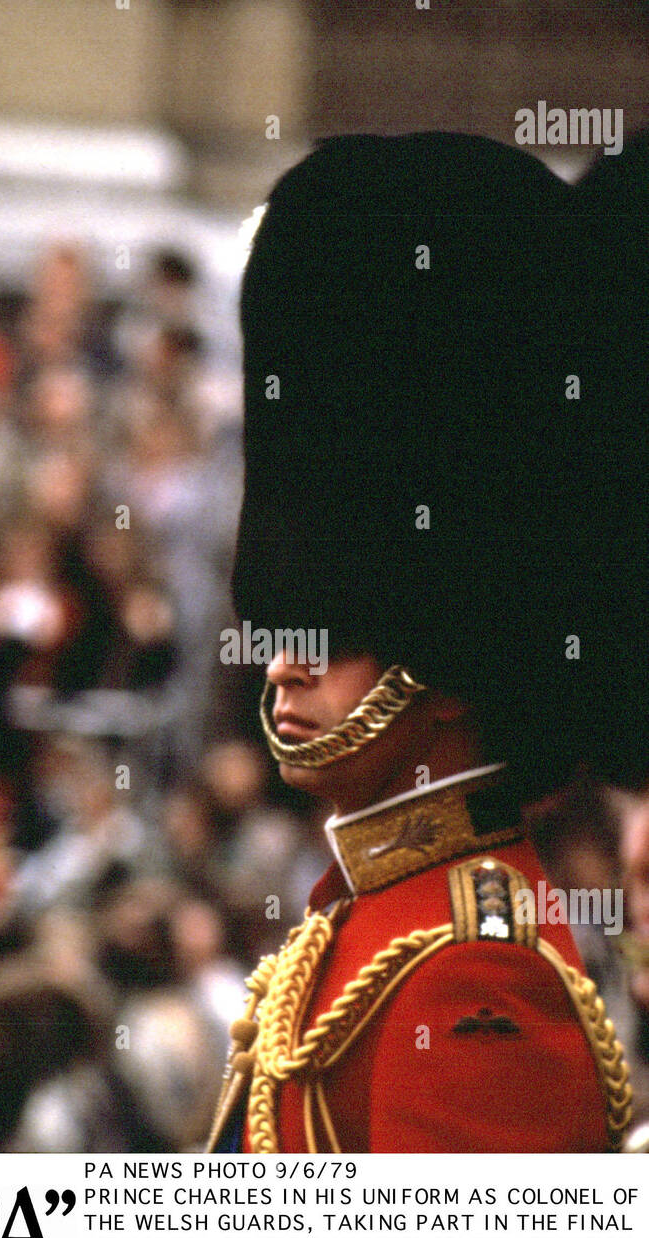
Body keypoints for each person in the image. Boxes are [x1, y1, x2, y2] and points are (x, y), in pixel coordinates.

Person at [208, 133, 645, 1154]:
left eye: (345, 623)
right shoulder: (364, 924)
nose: (289, 655)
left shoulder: (472, 979)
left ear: (451, 660)